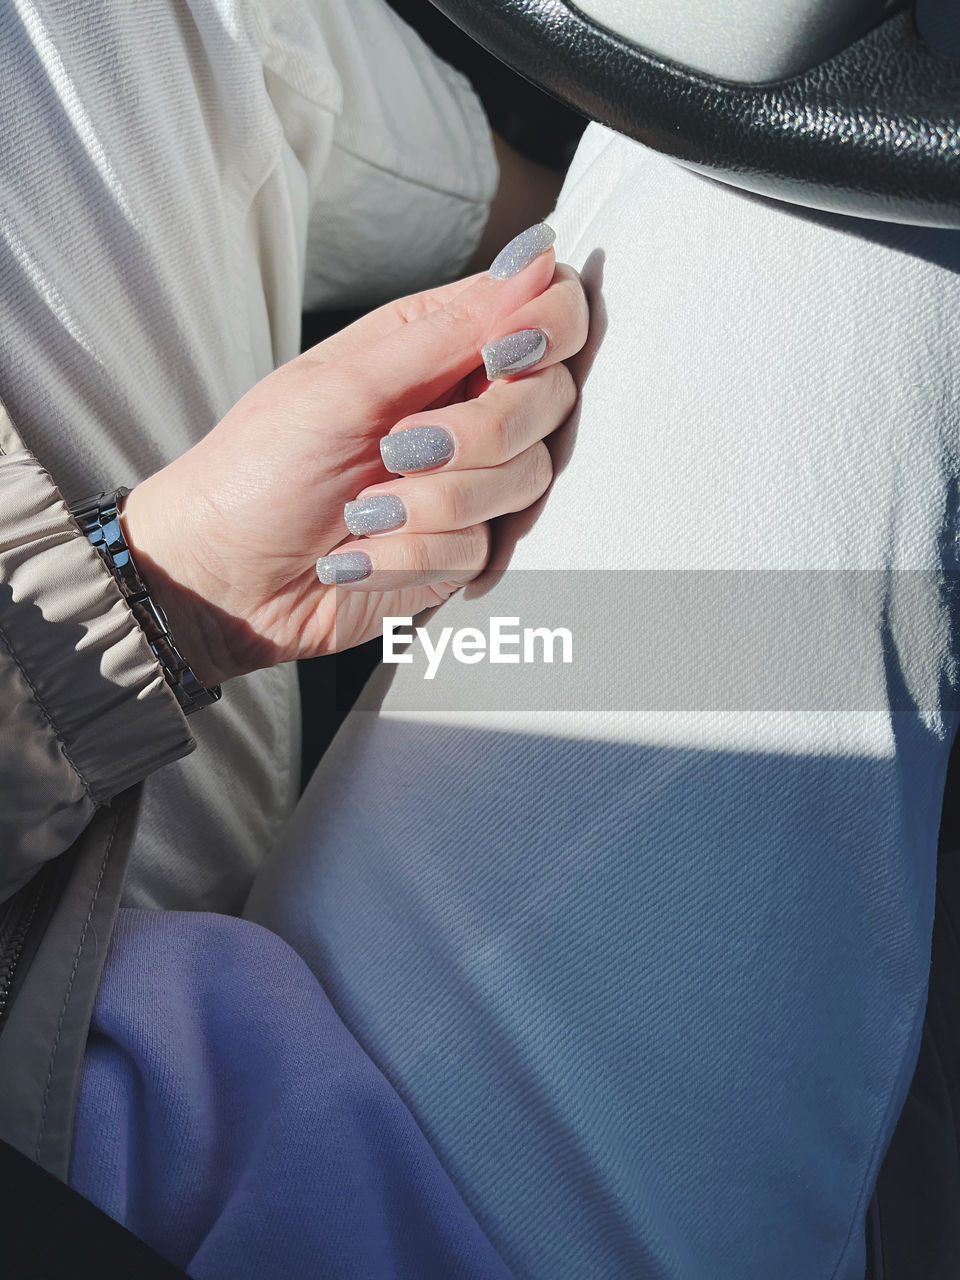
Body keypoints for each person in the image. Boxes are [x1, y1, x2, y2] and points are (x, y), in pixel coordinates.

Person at [245, 69, 960, 1280]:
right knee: (833, 186)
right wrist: (141, 595)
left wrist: (151, 577)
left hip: (98, 876)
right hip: (307, 1200)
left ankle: (527, 209)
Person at [0, 0, 588, 1272]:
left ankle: (561, 200)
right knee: (852, 283)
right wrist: (149, 600)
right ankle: (605, 197)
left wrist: (165, 581)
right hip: (115, 1139)